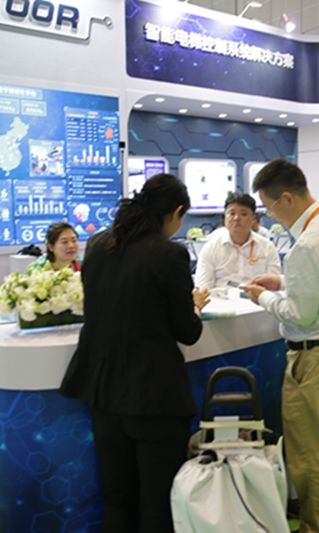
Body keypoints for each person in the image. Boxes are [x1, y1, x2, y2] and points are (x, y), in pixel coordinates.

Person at [60, 174, 210, 532]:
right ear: (175, 212)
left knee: (118, 501)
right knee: (158, 505)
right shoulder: (169, 253)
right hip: (154, 399)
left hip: (103, 394)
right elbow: (187, 332)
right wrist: (195, 307)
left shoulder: (99, 244)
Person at [241, 159, 319, 533]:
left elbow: (300, 315)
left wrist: (262, 297)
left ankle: (318, 528)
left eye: (269, 208)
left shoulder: (308, 243)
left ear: (287, 198)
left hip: (315, 359)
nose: (270, 218)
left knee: (310, 458)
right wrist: (283, 281)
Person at [194, 192, 281, 289]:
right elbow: (203, 287)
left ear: (253, 218)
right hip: (220, 297)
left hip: (256, 297)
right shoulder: (211, 248)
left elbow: (275, 286)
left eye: (243, 214)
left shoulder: (267, 248)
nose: (236, 218)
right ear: (225, 217)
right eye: (232, 213)